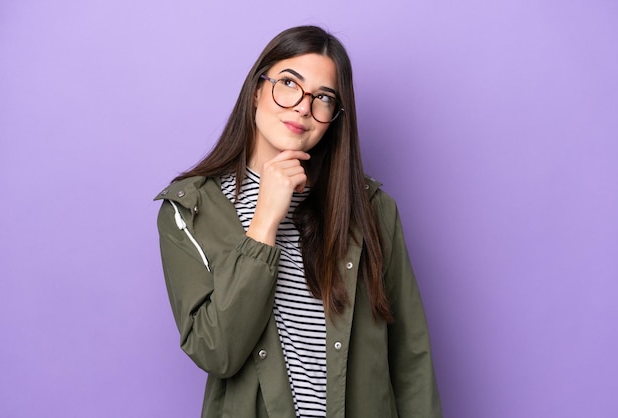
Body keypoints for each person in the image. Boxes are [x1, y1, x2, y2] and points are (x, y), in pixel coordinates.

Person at [155, 25, 442, 418]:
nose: (303, 107)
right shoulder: (189, 210)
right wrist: (264, 224)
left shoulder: (371, 210)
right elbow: (216, 351)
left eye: (323, 97)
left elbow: (411, 359)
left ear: (334, 118)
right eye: (289, 83)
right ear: (257, 88)